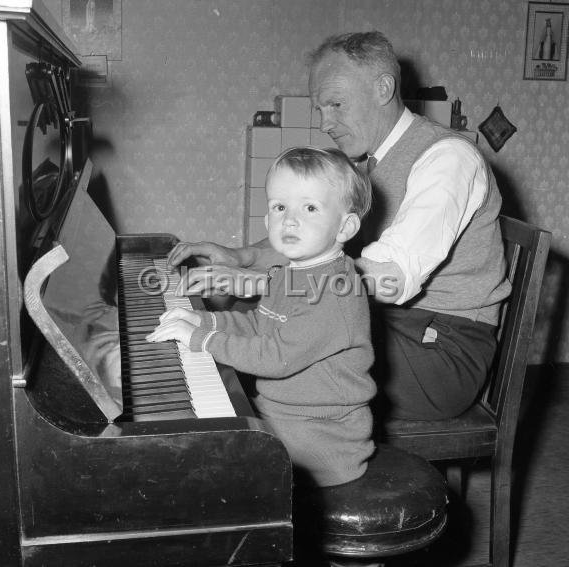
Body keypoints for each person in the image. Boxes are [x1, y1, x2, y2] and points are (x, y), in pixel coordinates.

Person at [167, 31, 511, 421]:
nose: (326, 122)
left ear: (383, 89)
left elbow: (389, 278)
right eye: (320, 109)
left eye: (336, 104)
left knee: (276, 339)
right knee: (262, 321)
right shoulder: (371, 163)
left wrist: (258, 281)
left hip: (439, 354)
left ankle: (255, 456)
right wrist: (242, 256)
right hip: (397, 327)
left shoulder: (447, 158)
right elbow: (322, 246)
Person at [147, 147, 375, 487]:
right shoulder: (289, 272)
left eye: (310, 207)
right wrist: (204, 321)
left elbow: (275, 357)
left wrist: (202, 340)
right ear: (267, 220)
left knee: (202, 473)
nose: (290, 220)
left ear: (345, 226)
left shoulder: (335, 290)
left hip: (321, 443)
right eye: (279, 207)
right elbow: (260, 325)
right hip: (286, 419)